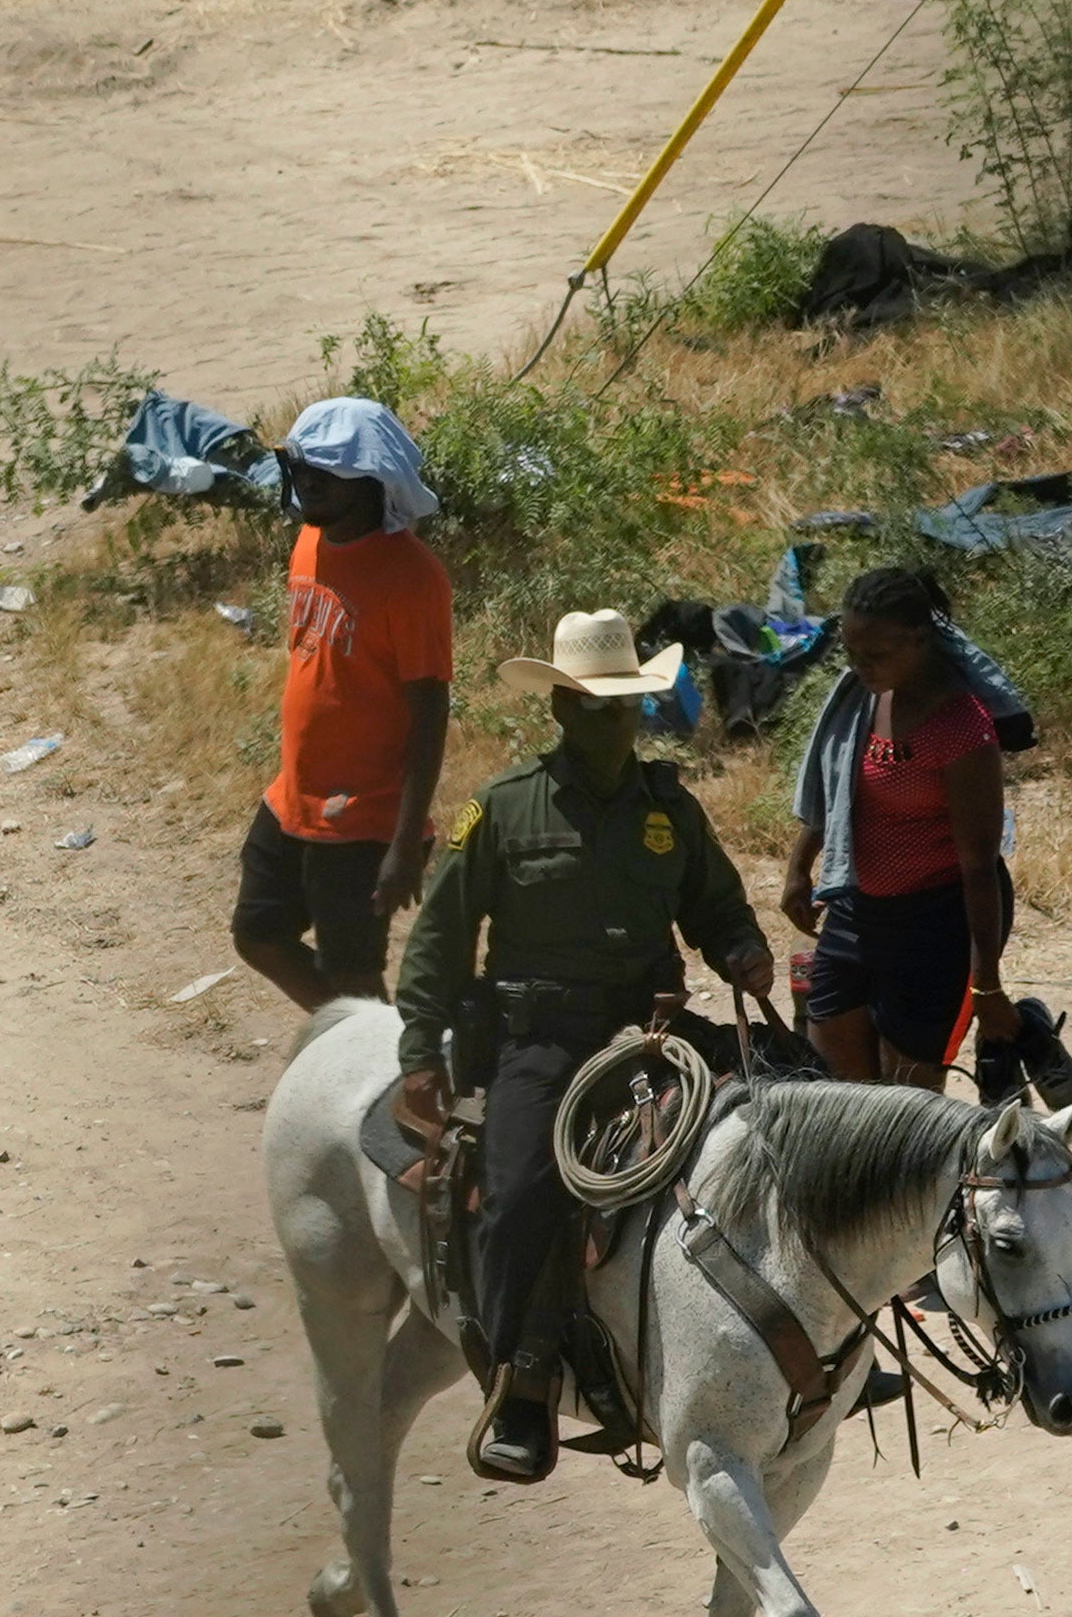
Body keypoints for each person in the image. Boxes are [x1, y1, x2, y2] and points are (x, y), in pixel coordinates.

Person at [397, 607, 784, 1487]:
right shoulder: (500, 809)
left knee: (787, 1117)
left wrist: (742, 950)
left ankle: (808, 1334)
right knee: (524, 1190)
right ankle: (522, 1379)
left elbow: (715, 904)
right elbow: (438, 937)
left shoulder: (670, 810)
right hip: (543, 1039)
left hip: (650, 1029)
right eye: (597, 709)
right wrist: (420, 1050)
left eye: (629, 708)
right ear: (563, 710)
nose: (616, 723)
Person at [231, 396, 455, 1010]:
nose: (307, 486)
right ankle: (366, 1049)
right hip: (293, 795)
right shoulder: (308, 543)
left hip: (364, 817)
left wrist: (404, 844)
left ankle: (391, 1080)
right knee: (257, 933)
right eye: (301, 471)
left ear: (370, 483)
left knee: (354, 972)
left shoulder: (413, 578)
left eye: (324, 475)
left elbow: (431, 715)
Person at [781, 564, 1027, 1087]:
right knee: (836, 1091)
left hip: (933, 925)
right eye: (850, 653)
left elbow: (978, 866)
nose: (859, 667)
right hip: (855, 913)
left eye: (875, 654)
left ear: (920, 640)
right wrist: (799, 868)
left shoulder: (959, 728)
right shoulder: (864, 698)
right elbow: (840, 791)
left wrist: (986, 987)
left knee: (909, 1105)